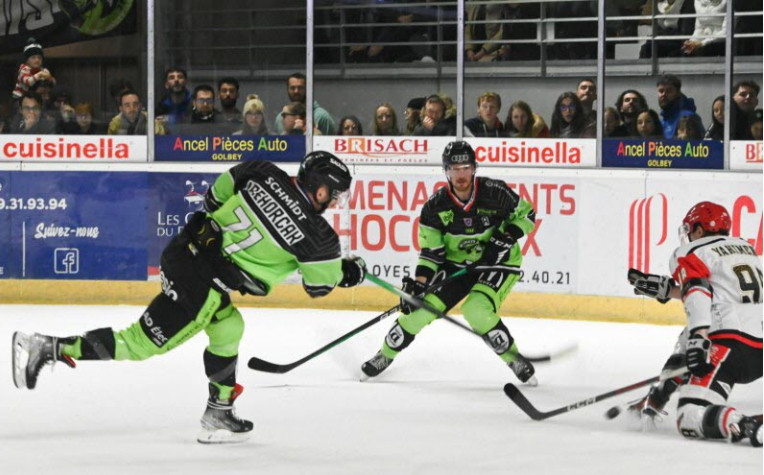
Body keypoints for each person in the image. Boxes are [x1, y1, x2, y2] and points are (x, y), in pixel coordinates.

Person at [11, 151, 367, 444]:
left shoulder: (262, 170)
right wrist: (350, 272)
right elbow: (318, 288)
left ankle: (219, 409)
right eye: (335, 195)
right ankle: (47, 346)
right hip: (202, 286)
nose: (335, 203)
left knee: (229, 326)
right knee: (139, 344)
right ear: (320, 190)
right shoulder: (320, 238)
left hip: (181, 252)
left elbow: (214, 197)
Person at [360, 141, 538, 386]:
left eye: (465, 167)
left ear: (474, 168)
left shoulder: (495, 192)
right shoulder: (435, 207)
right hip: (456, 266)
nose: (460, 174)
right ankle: (385, 354)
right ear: (445, 171)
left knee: (476, 311)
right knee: (418, 310)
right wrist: (418, 286)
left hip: (497, 264)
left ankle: (514, 358)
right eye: (454, 169)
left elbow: (527, 215)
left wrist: (505, 238)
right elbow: (431, 252)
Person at [626, 201, 762, 446]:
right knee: (691, 340)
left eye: (691, 229)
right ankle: (658, 396)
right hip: (758, 346)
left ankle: (746, 424)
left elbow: (698, 289)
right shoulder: (747, 249)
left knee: (689, 415)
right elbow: (720, 291)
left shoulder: (691, 251)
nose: (688, 234)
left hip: (733, 347)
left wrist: (700, 335)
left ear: (699, 230)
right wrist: (668, 290)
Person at [656, 75, 703, 139]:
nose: (664, 95)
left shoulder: (689, 117)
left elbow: (702, 145)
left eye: (669, 91)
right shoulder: (661, 121)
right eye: (661, 91)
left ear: (678, 93)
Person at [12, 37, 55, 103]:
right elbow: (28, 82)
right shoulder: (24, 69)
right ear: (27, 60)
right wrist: (40, 74)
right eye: (33, 57)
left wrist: (49, 78)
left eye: (39, 57)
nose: (37, 60)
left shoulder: (42, 70)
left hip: (34, 99)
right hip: (20, 98)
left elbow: (52, 83)